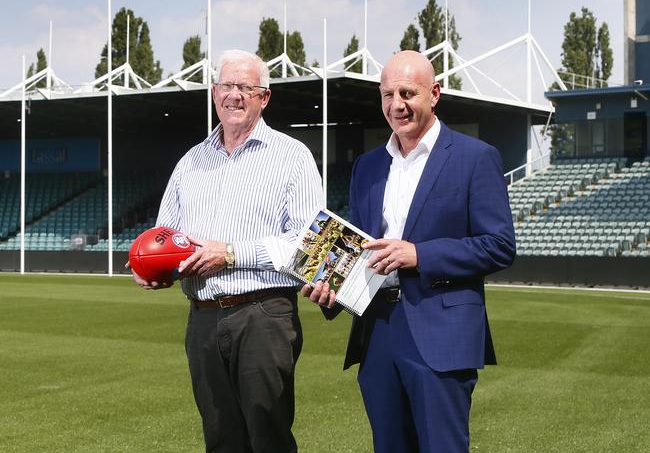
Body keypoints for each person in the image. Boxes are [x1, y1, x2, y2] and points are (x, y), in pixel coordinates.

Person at [302, 50, 516, 453]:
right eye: (387, 95)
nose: (396, 105)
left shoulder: (475, 158)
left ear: (434, 94)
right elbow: (362, 248)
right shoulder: (367, 166)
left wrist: (420, 254)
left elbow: (500, 246)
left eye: (407, 93)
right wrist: (329, 289)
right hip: (377, 330)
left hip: (440, 334)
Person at [130, 49, 323, 453]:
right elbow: (165, 235)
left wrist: (233, 252)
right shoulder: (190, 162)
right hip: (201, 318)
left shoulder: (291, 157)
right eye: (227, 86)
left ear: (264, 97)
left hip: (263, 315)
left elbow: (310, 246)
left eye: (245, 88)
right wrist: (150, 267)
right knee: (220, 440)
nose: (234, 96)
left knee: (268, 437)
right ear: (214, 93)